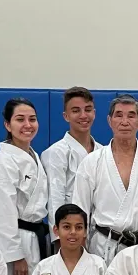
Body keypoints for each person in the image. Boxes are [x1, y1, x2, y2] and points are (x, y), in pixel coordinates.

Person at [72, 94, 138, 265]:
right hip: (103, 248)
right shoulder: (92, 162)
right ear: (109, 121)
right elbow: (79, 214)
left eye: (131, 115)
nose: (124, 122)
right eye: (119, 115)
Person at [0, 98, 51, 275]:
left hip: (35, 236)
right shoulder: (2, 160)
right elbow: (1, 209)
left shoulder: (33, 156)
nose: (28, 125)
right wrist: (15, 255)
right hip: (13, 239)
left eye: (33, 119)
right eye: (20, 119)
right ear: (7, 125)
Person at [41, 86, 97, 240]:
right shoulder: (56, 153)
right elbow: (55, 200)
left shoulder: (102, 151)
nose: (83, 115)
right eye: (76, 111)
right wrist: (59, 239)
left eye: (88, 109)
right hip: (70, 234)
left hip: (99, 233)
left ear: (94, 113)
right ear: (66, 116)